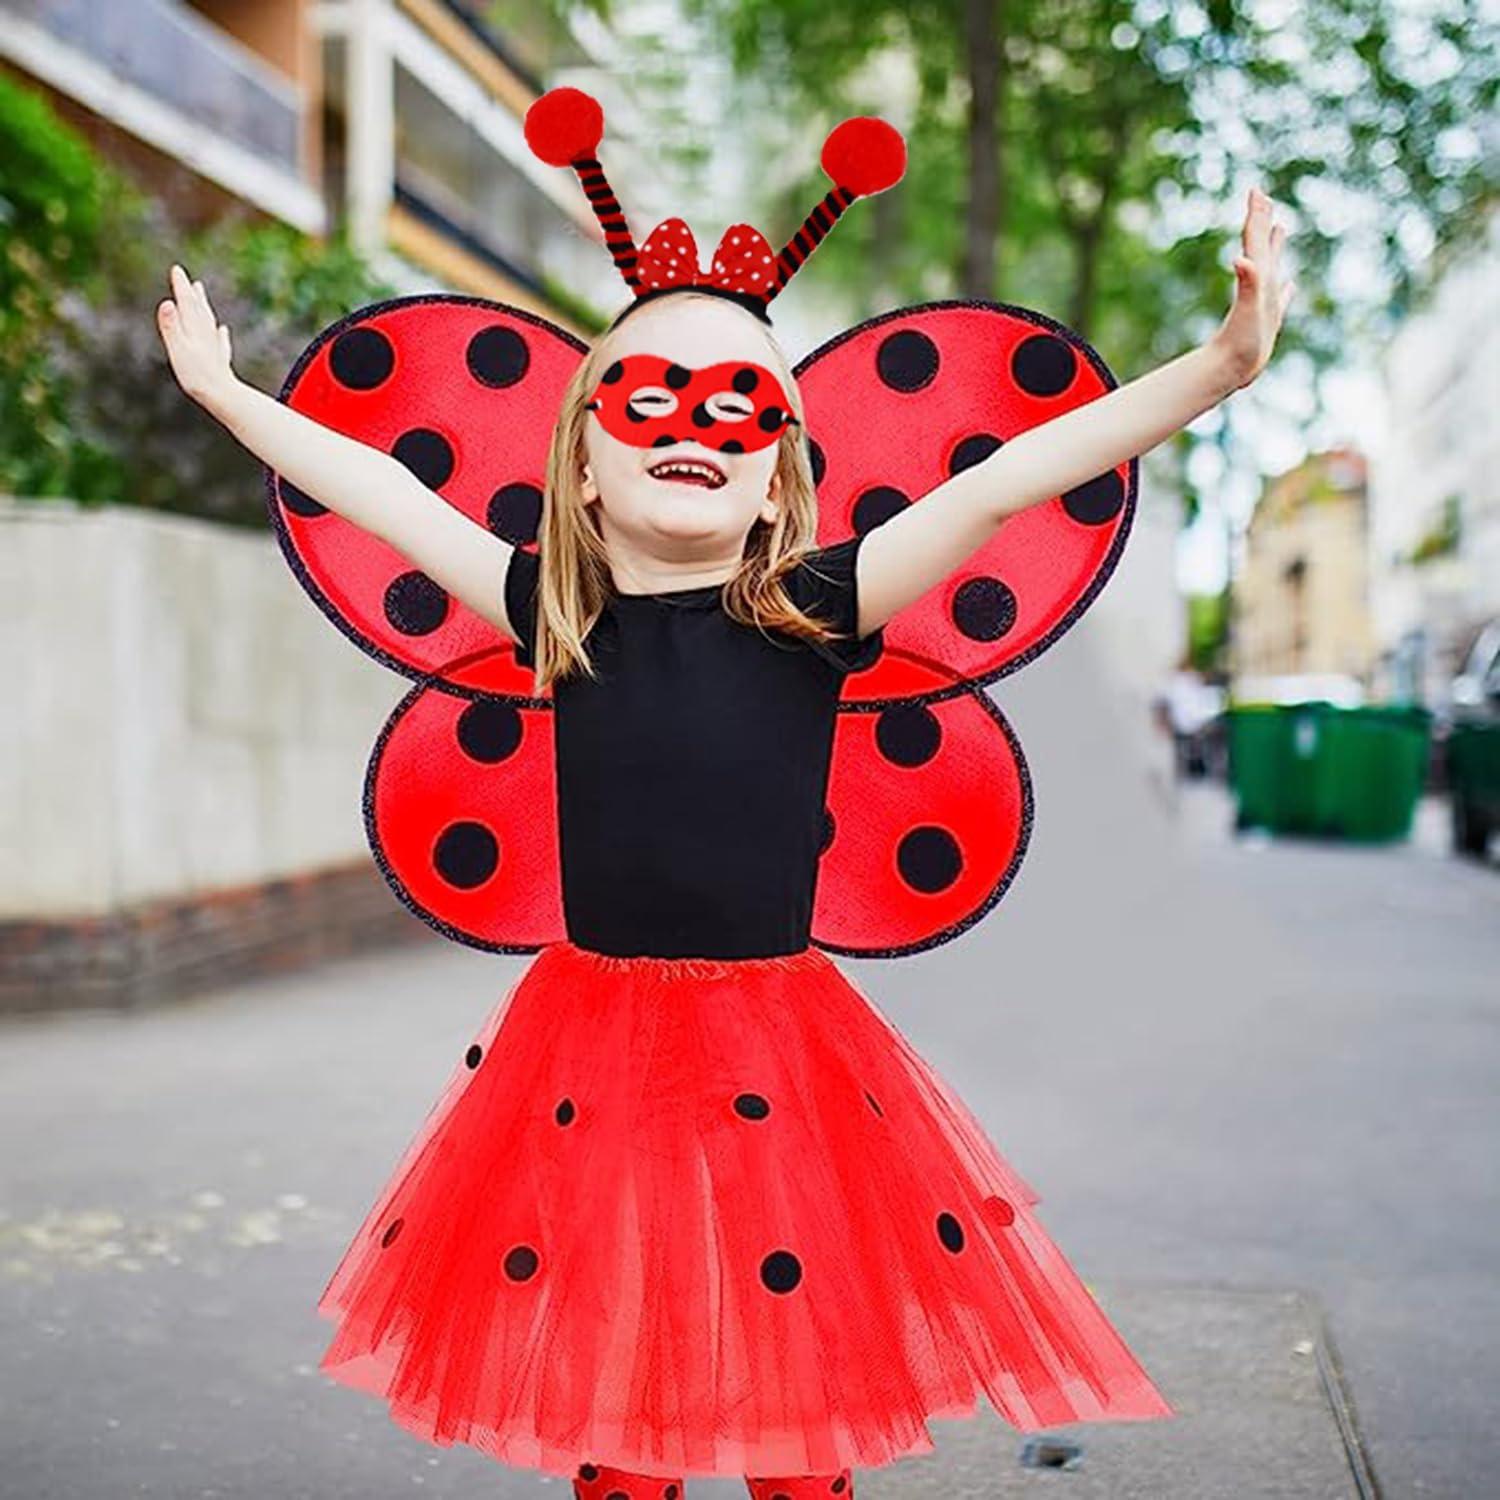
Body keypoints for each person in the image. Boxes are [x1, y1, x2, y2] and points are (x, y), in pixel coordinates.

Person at [156, 87, 1292, 1498]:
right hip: (586, 1053)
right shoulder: (552, 615)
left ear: (778, 480)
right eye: (649, 396)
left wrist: (1221, 365)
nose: (696, 423)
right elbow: (383, 492)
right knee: (620, 1385)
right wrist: (224, 396)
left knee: (795, 1400)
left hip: (783, 1047)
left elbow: (1016, 479)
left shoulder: (819, 608)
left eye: (742, 406)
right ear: (580, 456)